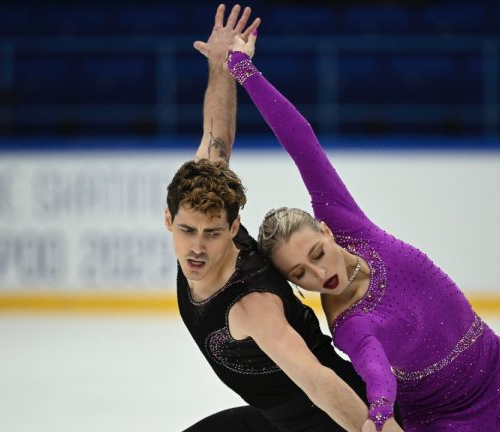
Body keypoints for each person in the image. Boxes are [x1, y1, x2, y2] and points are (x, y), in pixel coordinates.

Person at [225, 32, 500, 432]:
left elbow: (301, 142)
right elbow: (376, 372)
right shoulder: (350, 323)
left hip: (489, 367)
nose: (318, 275)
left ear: (326, 230)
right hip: (438, 413)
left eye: (316, 253)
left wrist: (245, 72)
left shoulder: (348, 220)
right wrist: (379, 412)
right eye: (300, 274)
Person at [167, 5, 403, 432]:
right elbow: (216, 133)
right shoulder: (201, 196)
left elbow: (317, 381)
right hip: (274, 420)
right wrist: (222, 66)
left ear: (234, 230)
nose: (197, 246)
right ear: (168, 219)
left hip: (336, 418)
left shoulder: (252, 305)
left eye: (212, 233)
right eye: (186, 230)